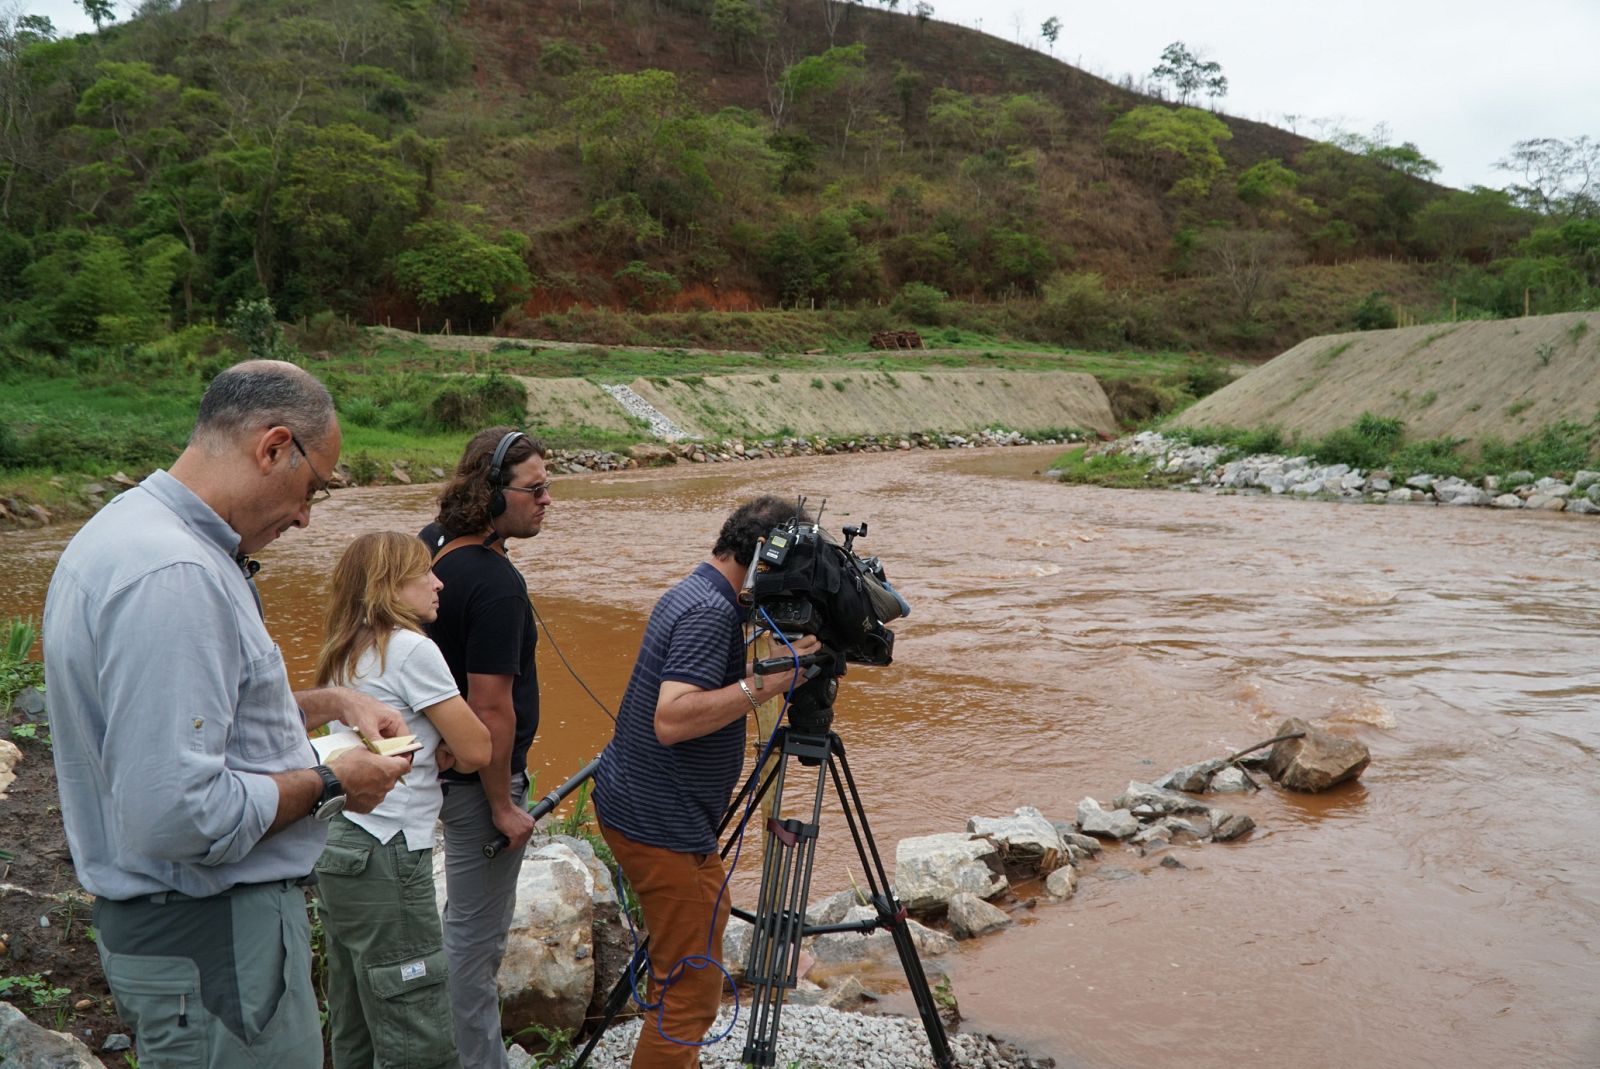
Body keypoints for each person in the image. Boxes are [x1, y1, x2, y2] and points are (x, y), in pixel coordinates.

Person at [43, 359, 414, 1069]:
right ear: (273, 447)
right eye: (314, 488)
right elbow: (178, 814)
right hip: (214, 943)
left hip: (191, 942)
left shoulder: (129, 531)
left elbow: (191, 720)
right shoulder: (175, 576)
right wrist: (334, 782)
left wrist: (334, 703)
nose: (305, 516)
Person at [592, 496, 820, 1069]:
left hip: (651, 810)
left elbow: (700, 681)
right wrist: (769, 685)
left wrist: (761, 668)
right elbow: (672, 718)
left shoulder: (700, 592)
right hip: (660, 823)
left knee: (692, 950)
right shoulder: (709, 612)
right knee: (690, 994)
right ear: (767, 557)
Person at [312, 531, 492, 1069]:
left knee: (356, 1017)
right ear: (389, 586)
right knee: (417, 1029)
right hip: (388, 850)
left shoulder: (345, 649)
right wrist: (450, 751)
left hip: (339, 843)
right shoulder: (411, 648)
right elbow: (478, 749)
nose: (439, 583)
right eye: (425, 573)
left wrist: (436, 745)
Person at [419, 426, 551, 1068]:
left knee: (460, 929)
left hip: (434, 767)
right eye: (535, 489)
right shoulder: (495, 584)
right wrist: (502, 804)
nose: (547, 500)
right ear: (493, 493)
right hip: (479, 786)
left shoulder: (430, 547)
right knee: (475, 942)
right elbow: (492, 706)